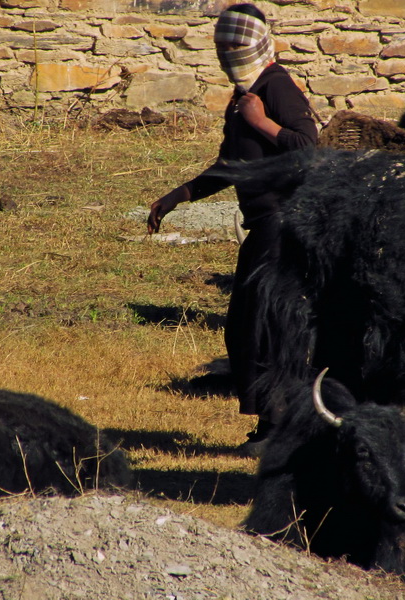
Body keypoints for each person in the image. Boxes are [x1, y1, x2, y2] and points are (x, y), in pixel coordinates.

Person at [147, 3, 318, 456]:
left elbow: (309, 147)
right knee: (247, 325)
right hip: (262, 225)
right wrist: (177, 197)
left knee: (271, 325)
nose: (228, 56)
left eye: (234, 47)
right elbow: (231, 166)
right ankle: (270, 424)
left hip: (287, 225)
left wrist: (262, 122)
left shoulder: (276, 88)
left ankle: (279, 430)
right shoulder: (241, 97)